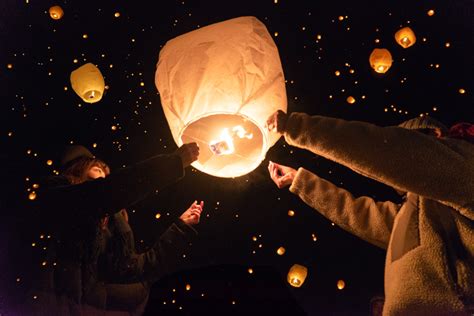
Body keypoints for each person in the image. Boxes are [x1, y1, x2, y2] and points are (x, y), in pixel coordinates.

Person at [266, 110, 474, 315]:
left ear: (435, 138)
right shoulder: (421, 215)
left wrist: (297, 127)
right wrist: (300, 181)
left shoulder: (464, 166)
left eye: (410, 143)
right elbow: (358, 214)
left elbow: (384, 150)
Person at [24, 143, 204, 315]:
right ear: (79, 167)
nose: (104, 172)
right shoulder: (58, 196)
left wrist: (180, 227)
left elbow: (134, 268)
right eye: (98, 167)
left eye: (106, 171)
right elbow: (104, 193)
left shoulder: (110, 227)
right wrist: (171, 164)